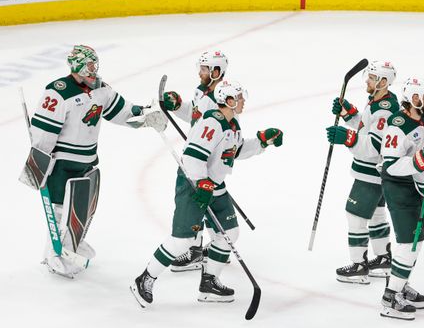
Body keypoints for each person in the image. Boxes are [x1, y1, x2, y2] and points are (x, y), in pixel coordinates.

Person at [130, 80, 284, 308]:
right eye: (239, 98)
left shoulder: (232, 124)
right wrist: (201, 183)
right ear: (229, 101)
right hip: (193, 186)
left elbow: (236, 150)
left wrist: (262, 142)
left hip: (214, 186)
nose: (243, 101)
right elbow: (192, 157)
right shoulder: (212, 123)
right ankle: (144, 279)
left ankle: (209, 282)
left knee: (229, 232)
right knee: (182, 241)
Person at [22, 45, 166, 278]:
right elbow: (43, 133)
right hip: (62, 163)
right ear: (77, 65)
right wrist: (38, 166)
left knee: (81, 209)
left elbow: (123, 111)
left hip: (87, 160)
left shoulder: (101, 89)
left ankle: (72, 245)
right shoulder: (58, 92)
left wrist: (147, 115)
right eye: (89, 65)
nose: (93, 69)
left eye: (94, 64)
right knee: (60, 211)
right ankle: (55, 256)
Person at [326, 60, 400, 284]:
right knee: (376, 215)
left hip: (371, 172)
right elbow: (366, 128)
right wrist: (350, 114)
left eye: (372, 77)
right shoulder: (381, 102)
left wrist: (346, 138)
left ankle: (359, 266)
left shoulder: (385, 110)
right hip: (378, 172)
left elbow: (373, 146)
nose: (367, 80)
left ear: (384, 82)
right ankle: (384, 259)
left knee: (355, 215)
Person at [160, 49, 230, 272]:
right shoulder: (203, 92)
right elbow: (195, 116)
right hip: (199, 155)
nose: (200, 73)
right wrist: (179, 105)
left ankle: (196, 250)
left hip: (205, 160)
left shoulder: (220, 98)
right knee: (204, 201)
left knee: (199, 201)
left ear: (216, 72)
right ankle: (215, 245)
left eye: (204, 69)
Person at [379, 77, 424, 320]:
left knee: (417, 239)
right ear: (414, 99)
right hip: (399, 188)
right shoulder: (396, 125)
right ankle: (390, 297)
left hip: (418, 187)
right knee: (408, 242)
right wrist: (423, 160)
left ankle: (401, 284)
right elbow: (391, 165)